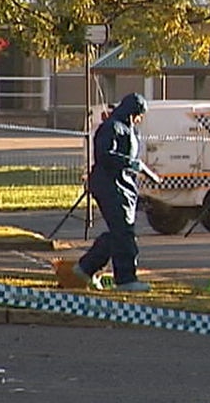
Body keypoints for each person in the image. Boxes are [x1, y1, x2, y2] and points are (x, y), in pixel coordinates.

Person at [59, 93, 152, 291]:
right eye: (139, 115)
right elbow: (104, 155)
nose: (140, 119)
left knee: (119, 233)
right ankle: (126, 279)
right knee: (124, 232)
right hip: (110, 185)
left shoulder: (127, 128)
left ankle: (86, 268)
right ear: (132, 112)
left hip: (123, 185)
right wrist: (132, 164)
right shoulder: (111, 128)